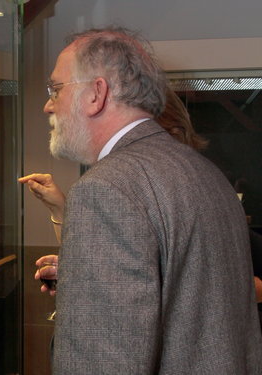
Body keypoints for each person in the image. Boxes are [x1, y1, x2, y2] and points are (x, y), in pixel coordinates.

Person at [20, 26, 262, 374]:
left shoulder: (104, 188)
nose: (47, 105)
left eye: (56, 89)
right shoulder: (206, 172)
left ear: (96, 93)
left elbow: (102, 363)